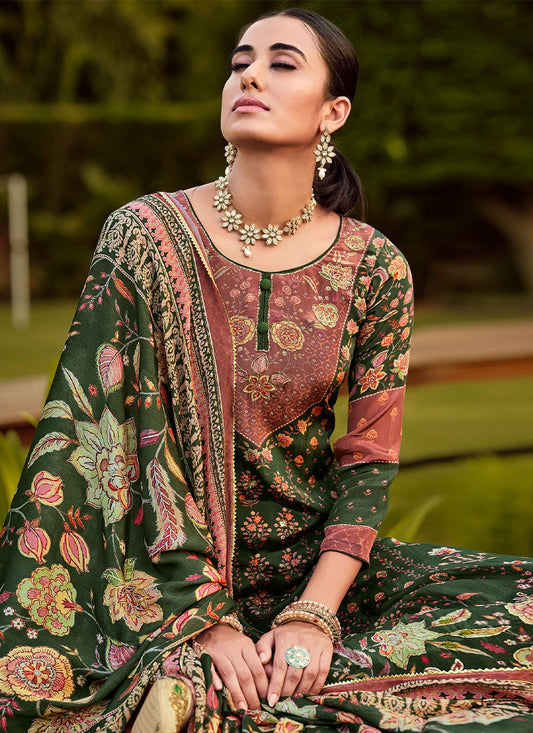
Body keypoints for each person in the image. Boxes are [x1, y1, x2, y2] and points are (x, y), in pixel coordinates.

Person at [0, 8, 531, 733]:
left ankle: (246, 687)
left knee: (516, 608)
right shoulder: (144, 236)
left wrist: (313, 614)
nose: (249, 74)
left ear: (333, 112)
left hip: (312, 573)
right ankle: (220, 678)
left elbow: (368, 462)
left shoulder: (374, 267)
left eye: (282, 62)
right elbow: (113, 443)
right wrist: (204, 617)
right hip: (156, 577)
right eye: (240, 61)